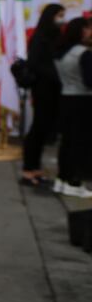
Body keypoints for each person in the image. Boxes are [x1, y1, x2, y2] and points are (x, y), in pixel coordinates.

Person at [21, 3, 65, 188]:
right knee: (38, 129)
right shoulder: (40, 38)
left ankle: (36, 168)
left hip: (53, 89)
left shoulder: (53, 36)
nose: (62, 18)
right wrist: (56, 74)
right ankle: (28, 169)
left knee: (43, 129)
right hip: (43, 88)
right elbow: (35, 64)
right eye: (60, 15)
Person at [53, 17, 92, 198]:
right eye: (88, 29)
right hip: (82, 100)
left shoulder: (62, 52)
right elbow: (89, 81)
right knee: (79, 142)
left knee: (67, 142)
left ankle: (62, 179)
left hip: (66, 98)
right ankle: (74, 182)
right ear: (81, 31)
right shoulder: (83, 53)